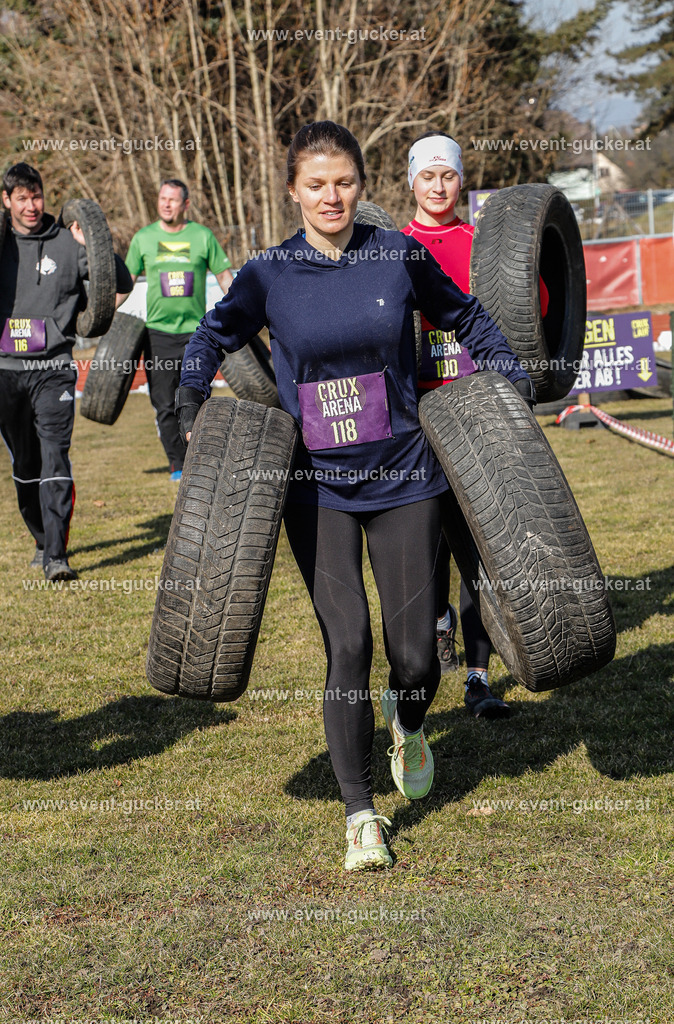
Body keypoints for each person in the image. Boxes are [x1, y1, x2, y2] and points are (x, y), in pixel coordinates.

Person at [175, 121, 532, 871]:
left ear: (361, 185)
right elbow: (212, 334)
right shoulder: (269, 273)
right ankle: (360, 813)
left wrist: (506, 368)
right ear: (293, 190)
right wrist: (189, 396)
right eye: (316, 184)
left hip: (405, 476)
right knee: (349, 645)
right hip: (317, 489)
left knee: (415, 659)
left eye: (343, 182)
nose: (331, 196)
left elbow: (465, 314)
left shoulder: (397, 254)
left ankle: (408, 722)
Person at [403, 132, 546, 717]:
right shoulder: (393, 247)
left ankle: (478, 680)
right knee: (428, 544)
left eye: (448, 176)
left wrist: (530, 281)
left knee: (480, 545)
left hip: (477, 407)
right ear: (412, 181)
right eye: (427, 176)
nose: (438, 187)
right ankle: (438, 624)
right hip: (417, 415)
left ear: (461, 180)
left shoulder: (481, 246)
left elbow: (529, 303)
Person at [0, 162, 132, 582]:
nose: (31, 206)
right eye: (22, 198)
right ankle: (41, 538)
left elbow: (120, 283)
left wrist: (92, 245)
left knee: (55, 456)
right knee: (25, 463)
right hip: (4, 369)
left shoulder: (67, 241)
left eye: (36, 196)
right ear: (6, 200)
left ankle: (56, 555)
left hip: (53, 367)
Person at [122, 180, 234, 481]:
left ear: (186, 204)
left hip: (196, 336)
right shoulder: (143, 238)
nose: (166, 204)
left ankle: (200, 458)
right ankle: (177, 464)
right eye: (162, 198)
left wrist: (243, 310)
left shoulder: (202, 236)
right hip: (157, 334)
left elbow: (225, 276)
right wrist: (98, 317)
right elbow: (125, 283)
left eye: (172, 199)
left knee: (196, 397)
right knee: (163, 403)